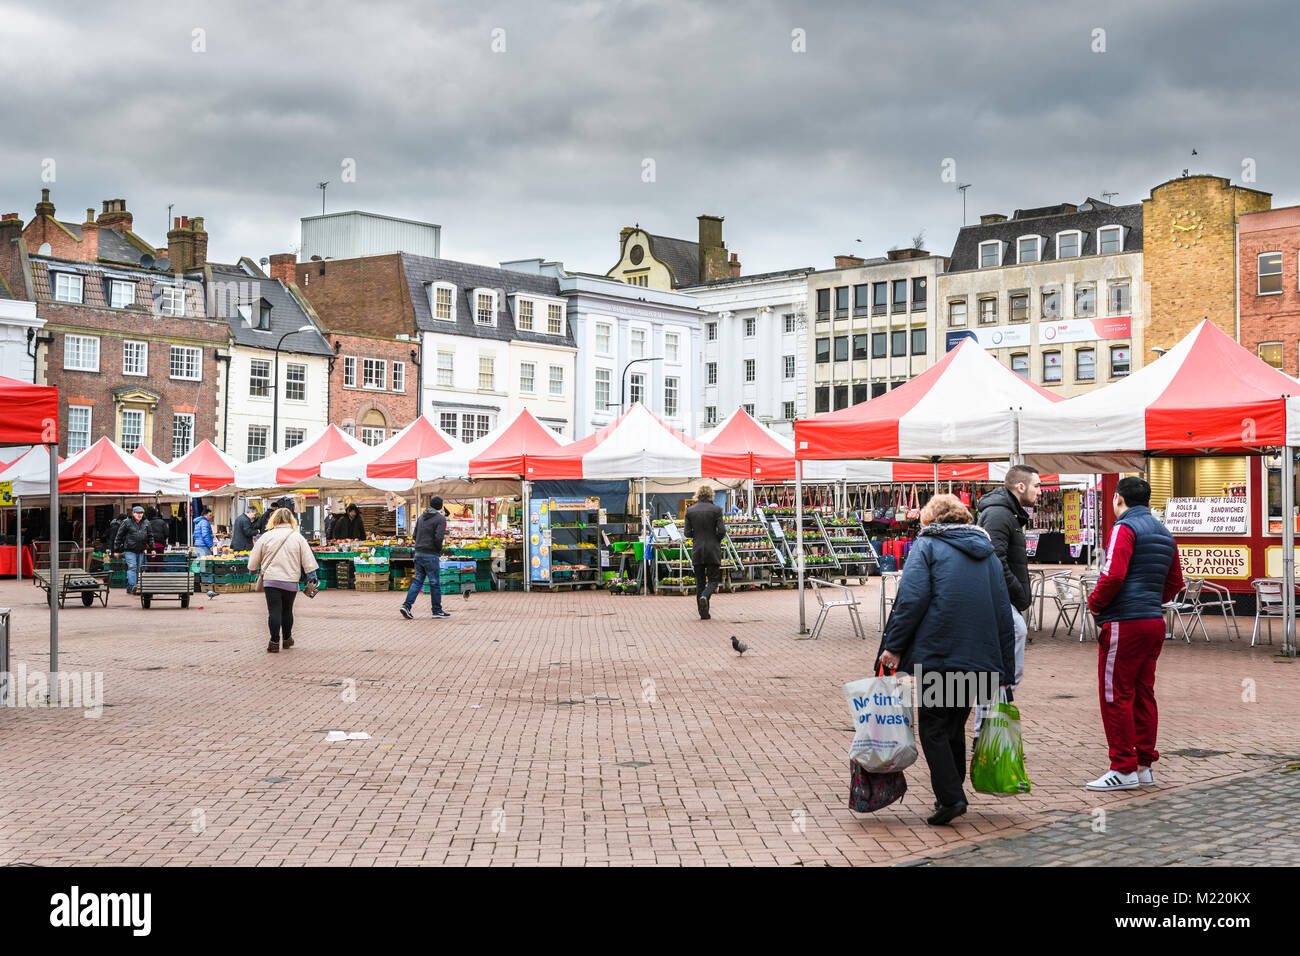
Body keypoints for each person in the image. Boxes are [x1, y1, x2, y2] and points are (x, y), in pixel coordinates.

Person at [878, 494, 1016, 827]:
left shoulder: (927, 547)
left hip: (941, 654)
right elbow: (1003, 612)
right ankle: (951, 793)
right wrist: (1005, 667)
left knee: (934, 728)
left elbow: (910, 600)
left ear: (930, 519)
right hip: (981, 656)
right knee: (952, 726)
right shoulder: (988, 554)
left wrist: (893, 646)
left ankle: (952, 797)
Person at [1084, 477, 1183, 792]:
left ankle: (1122, 767)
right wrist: (1152, 601)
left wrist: (1095, 604)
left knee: (1115, 693)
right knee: (1143, 693)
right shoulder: (1164, 533)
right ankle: (1143, 766)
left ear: (1117, 499)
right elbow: (1175, 582)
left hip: (1124, 621)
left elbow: (1112, 573)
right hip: (1153, 621)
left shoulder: (1123, 529)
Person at [973, 464, 1039, 739]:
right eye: (1036, 485)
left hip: (1001, 598)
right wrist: (1016, 591)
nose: (1039, 491)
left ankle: (989, 729)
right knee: (1004, 664)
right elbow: (996, 557)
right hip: (999, 599)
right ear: (1020, 487)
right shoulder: (1000, 514)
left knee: (1003, 668)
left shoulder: (1008, 513)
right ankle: (986, 731)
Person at [247, 508, 319, 653]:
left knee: (273, 611)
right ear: (291, 520)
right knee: (287, 611)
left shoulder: (266, 536)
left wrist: (252, 569)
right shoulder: (297, 537)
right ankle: (287, 639)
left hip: (271, 580)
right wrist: (311, 576)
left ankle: (274, 642)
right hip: (291, 580)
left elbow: (254, 558)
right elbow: (308, 559)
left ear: (274, 519)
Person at [400, 496, 450, 619]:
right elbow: (439, 538)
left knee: (417, 581)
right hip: (431, 554)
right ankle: (437, 610)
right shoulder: (440, 519)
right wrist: (438, 550)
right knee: (434, 583)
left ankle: (406, 606)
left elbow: (415, 535)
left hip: (418, 553)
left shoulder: (421, 517)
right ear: (440, 506)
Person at [684, 485, 725, 620]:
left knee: (700, 581)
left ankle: (703, 613)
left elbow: (687, 533)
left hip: (697, 550)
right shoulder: (717, 510)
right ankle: (705, 597)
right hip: (712, 549)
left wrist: (697, 536)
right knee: (713, 580)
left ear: (698, 494)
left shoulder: (690, 511)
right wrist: (716, 539)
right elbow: (722, 531)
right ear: (711, 495)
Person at [113, 505, 154, 594]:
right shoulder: (127, 522)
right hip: (129, 550)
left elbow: (150, 536)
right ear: (133, 513)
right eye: (137, 513)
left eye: (141, 513)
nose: (139, 515)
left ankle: (130, 587)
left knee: (139, 569)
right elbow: (119, 536)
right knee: (132, 567)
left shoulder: (146, 522)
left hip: (141, 550)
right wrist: (116, 550)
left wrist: (152, 548)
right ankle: (133, 586)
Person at [193, 505, 218, 599]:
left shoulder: (198, 522)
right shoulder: (204, 522)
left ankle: (199, 586)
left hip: (198, 545)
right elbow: (205, 535)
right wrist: (210, 545)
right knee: (206, 566)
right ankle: (206, 586)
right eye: (210, 515)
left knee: (200, 565)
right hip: (203, 546)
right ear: (205, 515)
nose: (211, 516)